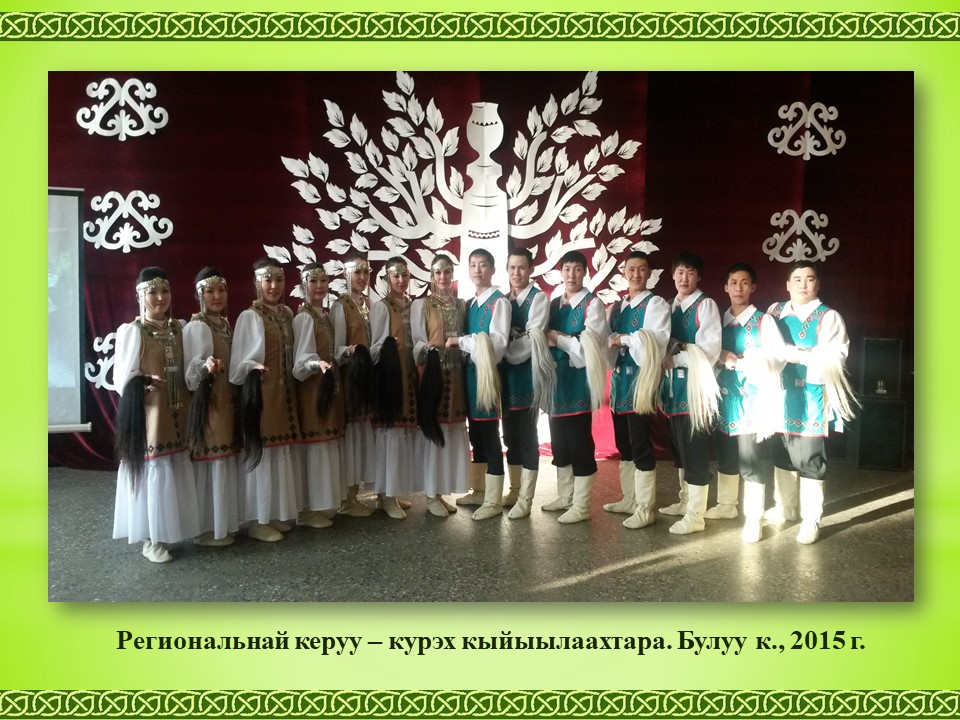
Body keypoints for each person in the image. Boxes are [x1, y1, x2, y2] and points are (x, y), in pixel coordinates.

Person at [113, 267, 199, 563]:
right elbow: (122, 379)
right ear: (140, 296)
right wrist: (143, 382)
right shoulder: (133, 332)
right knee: (154, 472)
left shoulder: (179, 328)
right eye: (153, 293)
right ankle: (151, 538)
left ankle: (171, 532)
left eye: (165, 291)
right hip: (151, 413)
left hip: (178, 409)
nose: (160, 298)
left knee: (174, 469)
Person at [765, 260, 855, 544]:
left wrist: (797, 355)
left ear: (818, 283)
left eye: (810, 279)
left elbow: (836, 358)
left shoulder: (828, 317)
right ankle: (786, 506)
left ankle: (811, 519)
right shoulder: (774, 311)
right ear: (787, 284)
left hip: (811, 394)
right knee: (781, 451)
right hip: (779, 393)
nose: (803, 284)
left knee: (809, 456)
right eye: (797, 279)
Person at [230, 257, 302, 542]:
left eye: (279, 279)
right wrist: (253, 367)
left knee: (279, 454)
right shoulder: (250, 316)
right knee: (263, 455)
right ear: (256, 283)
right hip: (261, 394)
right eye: (267, 280)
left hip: (284, 394)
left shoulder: (286, 313)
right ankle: (257, 521)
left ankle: (272, 514)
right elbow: (238, 366)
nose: (274, 286)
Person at [712, 263, 786, 542]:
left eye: (744, 283)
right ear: (725, 287)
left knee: (750, 460)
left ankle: (754, 518)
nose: (739, 288)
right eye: (733, 282)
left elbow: (778, 359)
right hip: (724, 399)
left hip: (752, 401)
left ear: (753, 287)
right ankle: (726, 505)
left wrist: (743, 361)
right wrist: (720, 356)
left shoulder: (763, 321)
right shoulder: (719, 321)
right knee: (726, 454)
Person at [605, 252, 671, 530]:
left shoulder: (655, 304)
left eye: (641, 269)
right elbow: (608, 344)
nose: (636, 275)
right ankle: (630, 499)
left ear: (649, 273)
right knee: (624, 443)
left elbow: (656, 342)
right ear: (624, 272)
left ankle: (645, 508)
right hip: (620, 384)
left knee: (641, 443)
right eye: (631, 269)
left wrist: (624, 339)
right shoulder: (618, 307)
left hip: (640, 383)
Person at [658, 250, 722, 535]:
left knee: (695, 450)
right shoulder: (668, 307)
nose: (684, 278)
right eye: (680, 273)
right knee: (680, 448)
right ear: (673, 275)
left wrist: (677, 358)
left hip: (695, 390)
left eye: (690, 273)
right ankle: (685, 501)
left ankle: (696, 515)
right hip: (673, 388)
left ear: (699, 277)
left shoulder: (705, 305)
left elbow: (709, 350)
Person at [542, 250, 608, 524]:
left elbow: (588, 351)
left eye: (577, 269)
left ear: (585, 273)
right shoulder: (553, 305)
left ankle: (581, 506)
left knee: (579, 443)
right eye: (567, 269)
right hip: (556, 385)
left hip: (578, 384)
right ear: (561, 273)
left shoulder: (593, 305)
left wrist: (560, 339)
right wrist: (563, 339)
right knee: (559, 443)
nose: (571, 275)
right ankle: (565, 496)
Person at [448, 248, 510, 521]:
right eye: (473, 265)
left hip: (487, 377)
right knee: (476, 434)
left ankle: (493, 499)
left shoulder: (499, 302)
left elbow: (498, 345)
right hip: (470, 377)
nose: (477, 270)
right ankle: (480, 490)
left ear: (492, 269)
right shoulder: (471, 304)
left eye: (483, 265)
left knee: (489, 435)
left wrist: (461, 342)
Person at [183, 267, 241, 547]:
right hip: (210, 403)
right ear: (200, 295)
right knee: (211, 462)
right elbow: (191, 375)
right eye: (210, 291)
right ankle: (207, 529)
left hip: (226, 401)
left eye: (221, 290)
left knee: (224, 459)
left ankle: (223, 524)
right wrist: (205, 367)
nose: (217, 296)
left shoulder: (224, 325)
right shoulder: (198, 326)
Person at [411, 254, 470, 515]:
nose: (443, 277)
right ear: (432, 276)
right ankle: (430, 494)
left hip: (457, 377)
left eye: (447, 272)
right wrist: (429, 351)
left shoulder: (461, 305)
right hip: (434, 376)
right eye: (438, 272)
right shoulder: (422, 305)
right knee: (434, 433)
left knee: (451, 431)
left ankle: (441, 491)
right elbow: (417, 344)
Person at [292, 263, 345, 529]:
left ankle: (322, 504)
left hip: (327, 388)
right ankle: (307, 509)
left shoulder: (323, 315)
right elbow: (300, 363)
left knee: (326, 443)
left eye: (323, 280)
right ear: (304, 286)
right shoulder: (304, 318)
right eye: (313, 281)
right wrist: (317, 364)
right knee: (315, 446)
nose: (320, 286)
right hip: (312, 389)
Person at [500, 247, 551, 520]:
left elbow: (533, 340)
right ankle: (514, 489)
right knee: (510, 437)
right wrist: (511, 337)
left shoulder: (538, 298)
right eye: (512, 268)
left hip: (528, 378)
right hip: (507, 379)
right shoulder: (504, 300)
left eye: (521, 267)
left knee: (528, 437)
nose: (516, 273)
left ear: (531, 269)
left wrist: (507, 348)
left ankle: (526, 499)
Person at [368, 257, 420, 519]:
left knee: (403, 436)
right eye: (395, 275)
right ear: (387, 278)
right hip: (390, 379)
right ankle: (386, 496)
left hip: (410, 377)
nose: (400, 280)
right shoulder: (382, 307)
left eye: (404, 275)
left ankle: (391, 492)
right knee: (390, 437)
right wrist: (388, 345)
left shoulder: (414, 306)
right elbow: (373, 349)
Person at [330, 256, 376, 517]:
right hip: (350, 379)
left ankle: (356, 494)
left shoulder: (368, 303)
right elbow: (335, 350)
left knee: (363, 437)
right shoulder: (341, 306)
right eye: (356, 272)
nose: (362, 277)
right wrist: (350, 351)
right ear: (346, 275)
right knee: (352, 438)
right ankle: (347, 499)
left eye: (365, 272)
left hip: (367, 379)